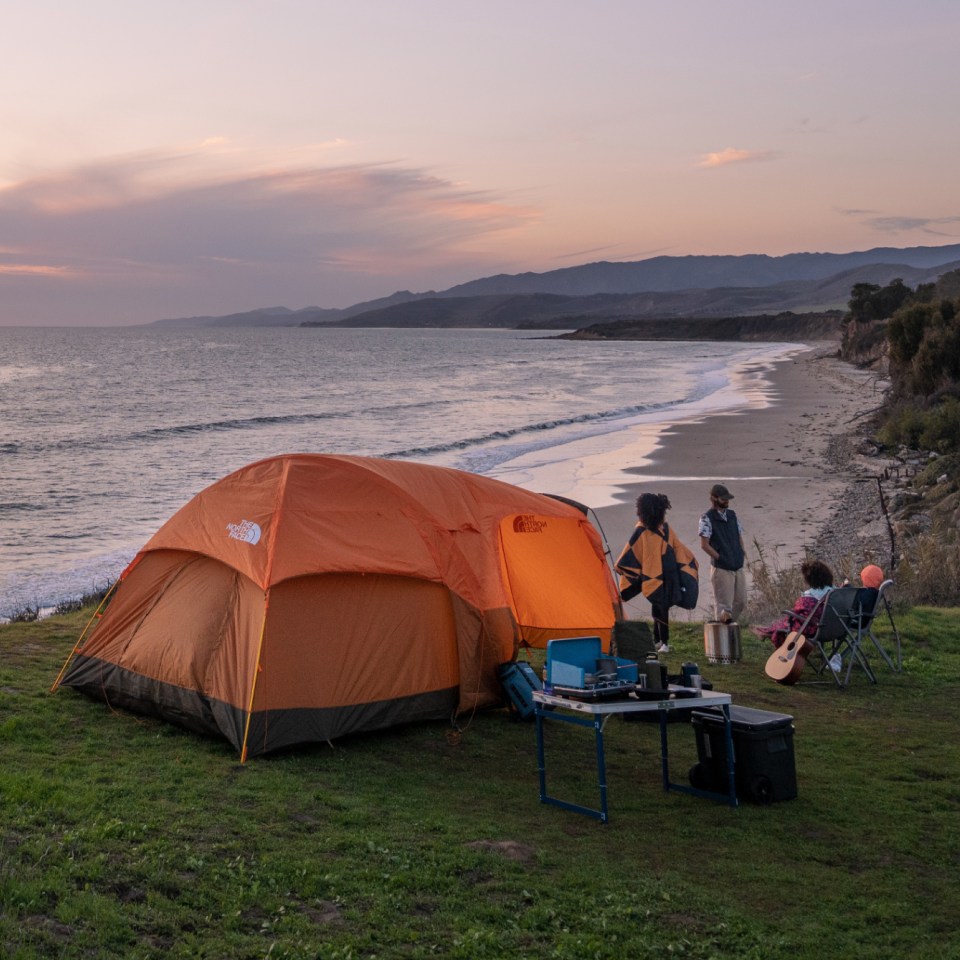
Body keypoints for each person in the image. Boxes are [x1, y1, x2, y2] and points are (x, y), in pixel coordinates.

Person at [615, 492, 699, 654]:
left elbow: (630, 552)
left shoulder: (644, 531)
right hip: (667, 576)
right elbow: (678, 549)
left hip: (655, 576)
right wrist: (688, 563)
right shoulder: (661, 529)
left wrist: (621, 566)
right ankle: (659, 641)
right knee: (659, 608)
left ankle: (664, 642)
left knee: (661, 608)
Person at [753, 559, 835, 648]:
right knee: (786, 621)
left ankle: (768, 634)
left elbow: (797, 611)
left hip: (815, 629)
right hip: (836, 628)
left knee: (788, 620)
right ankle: (765, 631)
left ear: (809, 579)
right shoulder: (836, 592)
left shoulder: (809, 597)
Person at [699, 483, 747, 624]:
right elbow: (704, 545)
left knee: (741, 601)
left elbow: (739, 536)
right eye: (723, 499)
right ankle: (722, 636)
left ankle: (729, 628)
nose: (727, 501)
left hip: (737, 564)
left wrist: (741, 553)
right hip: (721, 568)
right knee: (724, 607)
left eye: (727, 499)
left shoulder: (732, 515)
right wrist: (720, 557)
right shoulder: (706, 518)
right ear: (714, 498)